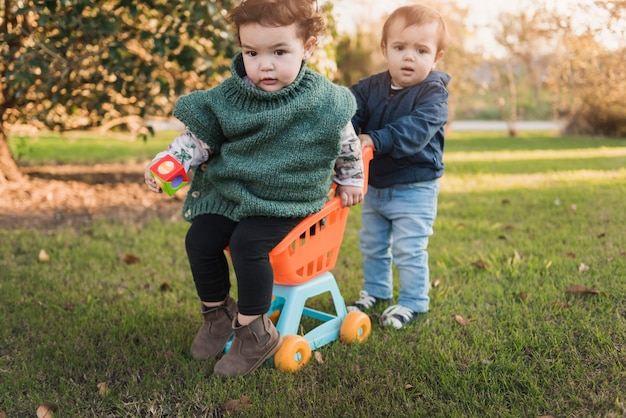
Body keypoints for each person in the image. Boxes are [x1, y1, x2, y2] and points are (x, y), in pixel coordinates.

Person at [144, 0, 364, 378]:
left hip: (288, 199)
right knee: (200, 238)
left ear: (307, 47)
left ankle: (254, 330)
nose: (264, 64)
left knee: (248, 243)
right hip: (234, 195)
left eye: (279, 52)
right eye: (252, 52)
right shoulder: (230, 97)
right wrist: (173, 162)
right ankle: (217, 313)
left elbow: (346, 141)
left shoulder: (324, 100)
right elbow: (198, 137)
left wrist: (351, 177)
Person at [347, 4, 450, 329]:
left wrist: (374, 140)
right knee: (373, 243)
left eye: (421, 50)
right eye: (400, 47)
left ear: (436, 57)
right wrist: (343, 131)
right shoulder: (368, 88)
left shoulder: (433, 94)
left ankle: (414, 302)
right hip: (375, 185)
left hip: (415, 186)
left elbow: (415, 131)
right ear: (384, 49)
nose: (409, 57)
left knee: (409, 248)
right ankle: (377, 291)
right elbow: (348, 113)